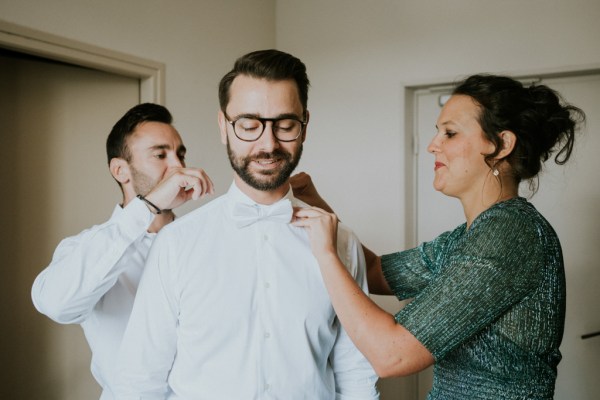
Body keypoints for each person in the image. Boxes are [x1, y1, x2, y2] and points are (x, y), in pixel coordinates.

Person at [293, 74, 585, 399]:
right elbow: (374, 270)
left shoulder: (510, 235)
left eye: (449, 133)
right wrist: (318, 207)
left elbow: (391, 354)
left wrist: (325, 254)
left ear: (501, 144)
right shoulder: (466, 238)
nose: (433, 144)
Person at [113, 50, 379, 399]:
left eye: (285, 126)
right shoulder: (176, 244)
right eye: (250, 126)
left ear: (304, 125)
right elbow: (140, 380)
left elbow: (356, 374)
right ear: (224, 127)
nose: (268, 144)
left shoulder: (342, 244)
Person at [31, 103, 215, 399]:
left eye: (180, 154)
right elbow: (55, 303)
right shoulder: (87, 249)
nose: (178, 166)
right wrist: (149, 206)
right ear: (120, 170)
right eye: (160, 154)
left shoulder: (205, 244)